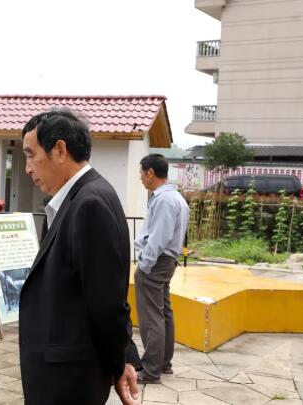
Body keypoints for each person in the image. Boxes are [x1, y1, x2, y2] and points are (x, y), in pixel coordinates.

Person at [19, 108, 141, 405]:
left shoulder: (89, 204)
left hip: (68, 381)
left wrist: (120, 362)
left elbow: (107, 301)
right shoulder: (80, 197)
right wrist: (124, 355)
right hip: (66, 373)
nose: (27, 168)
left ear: (60, 150)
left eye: (31, 155)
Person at [134, 154, 189, 384]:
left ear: (150, 172)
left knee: (151, 317)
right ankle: (163, 363)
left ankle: (151, 370)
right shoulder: (176, 198)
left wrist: (144, 264)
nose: (140, 178)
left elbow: (159, 237)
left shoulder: (164, 200)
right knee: (164, 312)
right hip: (166, 262)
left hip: (156, 262)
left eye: (141, 172)